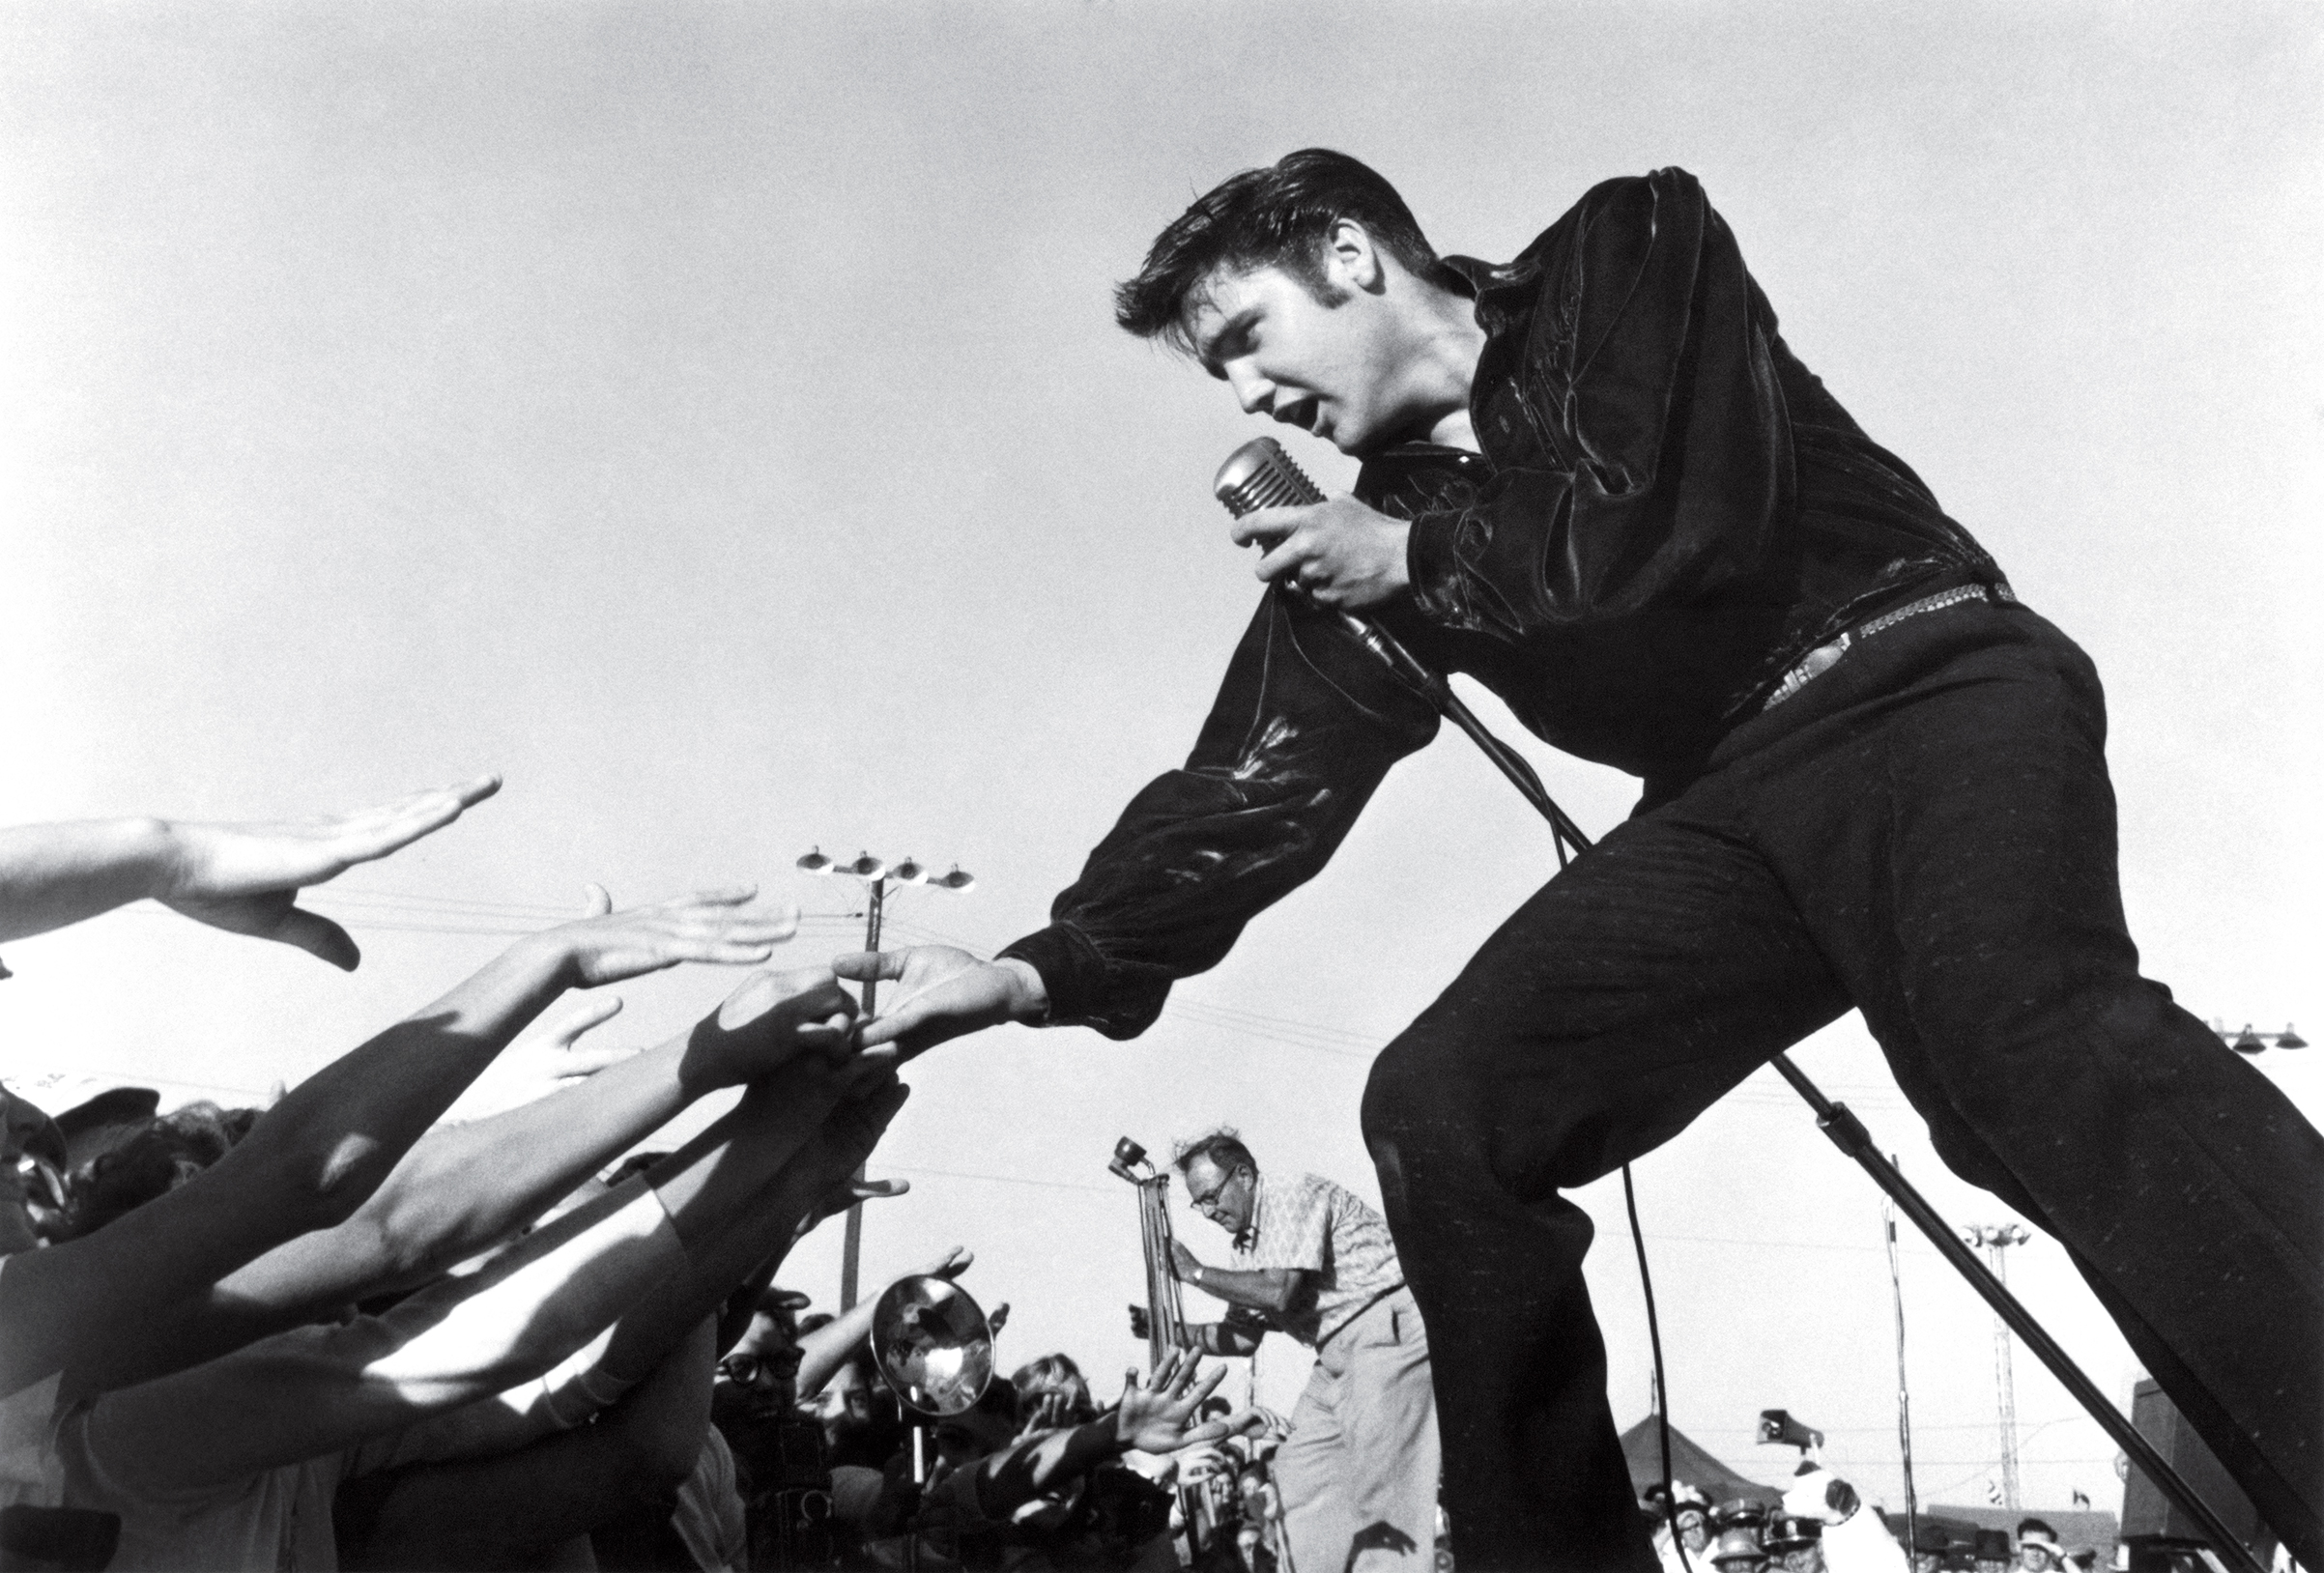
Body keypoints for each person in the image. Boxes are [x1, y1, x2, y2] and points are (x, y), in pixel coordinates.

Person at [831, 149, 2324, 1571]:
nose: (1243, 391)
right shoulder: (1382, 518)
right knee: (1446, 1107)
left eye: (1241, 333)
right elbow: (1253, 784)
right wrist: (1041, 962)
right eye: (1215, 372)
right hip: (1728, 799)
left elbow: (1668, 518)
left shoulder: (1626, 250)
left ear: (1348, 254)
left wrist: (1413, 560)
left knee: (2019, 1053)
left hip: (1918, 678)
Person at [1134, 1130, 1437, 1573]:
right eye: (1199, 1203)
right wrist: (1174, 1331)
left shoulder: (1291, 1194)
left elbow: (1279, 1293)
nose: (1208, 1211)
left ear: (1244, 1175)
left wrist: (1195, 1272)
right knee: (1299, 1473)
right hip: (1334, 1354)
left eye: (1212, 1196)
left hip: (1385, 1331)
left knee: (1384, 1487)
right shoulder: (1245, 1250)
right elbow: (1241, 1339)